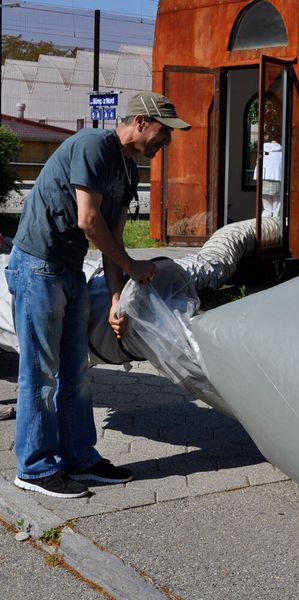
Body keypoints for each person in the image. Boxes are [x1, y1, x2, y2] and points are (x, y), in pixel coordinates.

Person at [5, 92, 191, 498]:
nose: (167, 143)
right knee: (40, 374)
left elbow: (114, 234)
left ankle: (79, 459)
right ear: (141, 122)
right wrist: (131, 266)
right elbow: (89, 221)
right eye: (164, 132)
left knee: (77, 373)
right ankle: (34, 468)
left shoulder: (127, 170)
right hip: (37, 267)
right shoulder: (94, 145)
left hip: (68, 271)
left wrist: (114, 299)